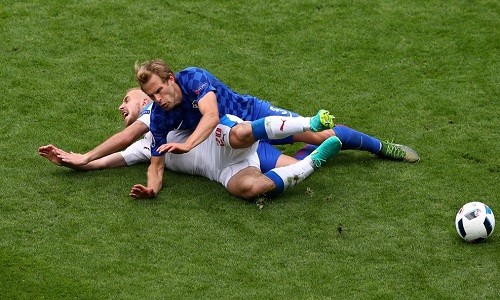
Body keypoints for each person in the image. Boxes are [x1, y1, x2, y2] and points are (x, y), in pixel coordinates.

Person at [133, 59, 419, 162]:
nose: (157, 98)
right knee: (289, 168)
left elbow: (210, 115)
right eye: (150, 95)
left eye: (159, 90)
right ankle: (308, 158)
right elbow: (155, 160)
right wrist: (151, 187)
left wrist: (188, 145)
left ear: (170, 78)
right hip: (236, 144)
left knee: (317, 134)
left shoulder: (193, 78)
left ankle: (382, 148)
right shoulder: (160, 115)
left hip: (254, 113)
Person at [40, 106, 341, 200]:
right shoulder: (146, 145)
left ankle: (310, 124)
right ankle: (312, 161)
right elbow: (126, 161)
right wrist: (75, 163)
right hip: (222, 171)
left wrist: (84, 156)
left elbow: (124, 137)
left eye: (126, 98)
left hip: (221, 139)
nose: (122, 106)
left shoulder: (154, 111)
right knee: (250, 190)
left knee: (240, 133)